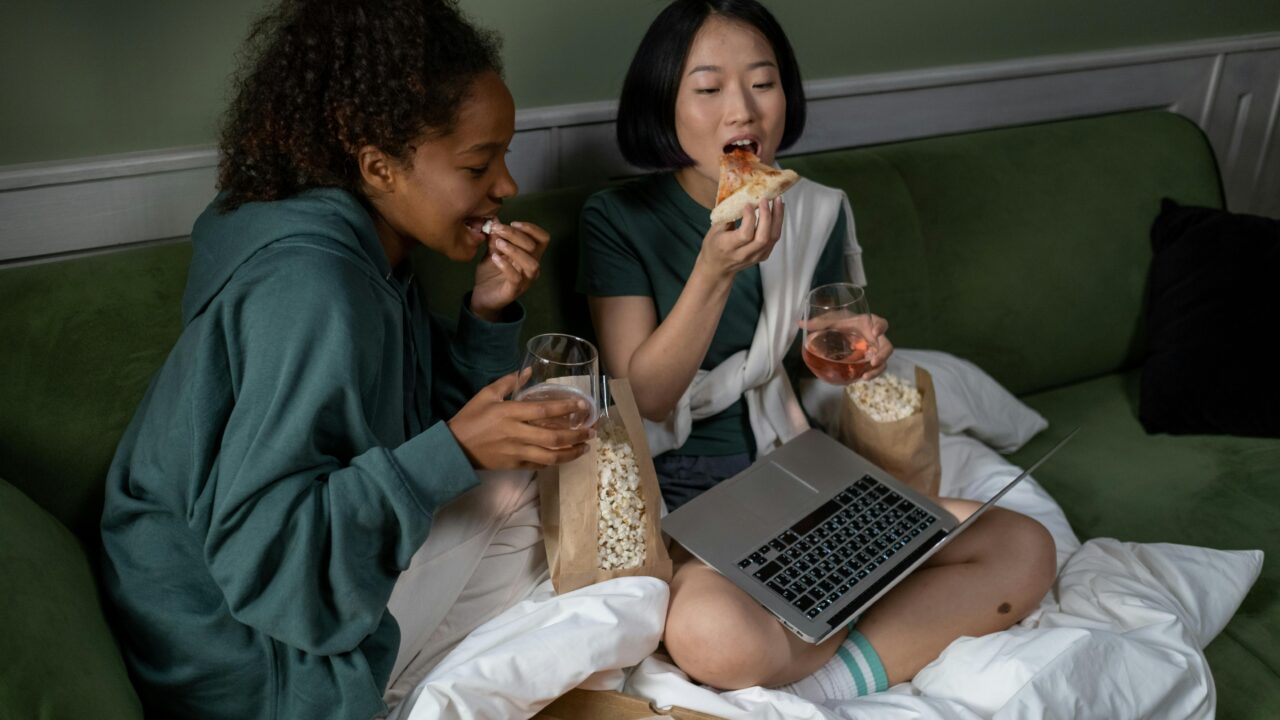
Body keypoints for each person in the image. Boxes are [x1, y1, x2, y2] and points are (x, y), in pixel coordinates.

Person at [98, 1, 591, 718]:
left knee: (563, 525)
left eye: (505, 156)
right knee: (597, 574)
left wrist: (485, 312)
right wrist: (454, 449)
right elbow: (263, 551)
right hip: (231, 646)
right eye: (479, 163)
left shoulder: (373, 251)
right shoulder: (312, 290)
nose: (507, 185)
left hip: (255, 594)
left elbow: (400, 429)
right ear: (377, 165)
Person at [579, 0, 1057, 701]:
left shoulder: (816, 208)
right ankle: (863, 641)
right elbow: (644, 394)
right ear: (665, 102)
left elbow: (816, 350)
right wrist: (714, 269)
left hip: (796, 470)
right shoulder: (618, 219)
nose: (742, 110)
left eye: (763, 83)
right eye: (709, 88)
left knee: (1024, 547)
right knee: (710, 634)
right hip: (690, 496)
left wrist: (859, 358)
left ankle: (825, 666)